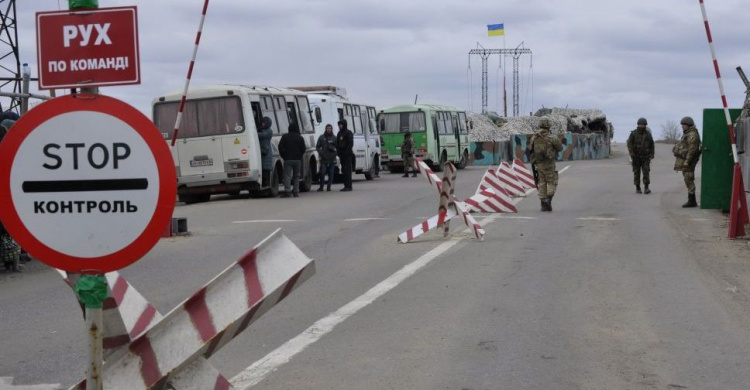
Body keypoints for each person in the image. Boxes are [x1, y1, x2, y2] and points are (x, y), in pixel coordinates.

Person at [530, 117, 563, 212]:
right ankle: (548, 199)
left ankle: (543, 204)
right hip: (549, 164)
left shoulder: (534, 137)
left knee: (542, 183)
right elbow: (560, 148)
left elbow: (531, 150)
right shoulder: (552, 138)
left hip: (538, 164)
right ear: (549, 126)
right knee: (552, 182)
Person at [673, 116, 702, 208]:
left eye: (684, 125)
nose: (682, 126)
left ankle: (692, 201)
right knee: (687, 179)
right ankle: (691, 200)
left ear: (688, 125)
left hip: (689, 161)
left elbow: (692, 150)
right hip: (686, 160)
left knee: (689, 179)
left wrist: (687, 161)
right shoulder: (687, 133)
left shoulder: (692, 135)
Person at [626, 117, 655, 194]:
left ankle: (646, 188)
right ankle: (638, 188)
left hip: (645, 157)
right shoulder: (633, 134)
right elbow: (629, 144)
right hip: (636, 157)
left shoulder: (648, 134)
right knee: (636, 172)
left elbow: (652, 144)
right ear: (638, 125)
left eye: (643, 124)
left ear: (645, 125)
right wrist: (632, 153)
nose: (642, 126)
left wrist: (652, 154)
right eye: (640, 124)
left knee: (646, 172)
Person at [278, 123, 306, 198]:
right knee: (296, 176)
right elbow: (303, 149)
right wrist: (299, 156)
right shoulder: (300, 138)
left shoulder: (285, 137)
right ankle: (296, 192)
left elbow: (280, 147)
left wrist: (283, 156)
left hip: (287, 159)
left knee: (287, 175)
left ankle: (287, 191)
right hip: (297, 160)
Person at [316, 124, 337, 191]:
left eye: (330, 128)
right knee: (322, 173)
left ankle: (329, 187)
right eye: (327, 128)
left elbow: (338, 147)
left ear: (331, 129)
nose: (328, 129)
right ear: (325, 129)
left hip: (332, 159)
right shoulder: (321, 137)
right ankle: (321, 187)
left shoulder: (334, 138)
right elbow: (317, 146)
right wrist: (320, 152)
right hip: (324, 159)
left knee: (331, 174)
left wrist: (335, 152)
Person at [336, 119, 354, 191]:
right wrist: (338, 152)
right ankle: (345, 185)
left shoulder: (348, 133)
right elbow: (337, 143)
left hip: (347, 154)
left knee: (347, 170)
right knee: (343, 170)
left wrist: (347, 151)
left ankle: (349, 186)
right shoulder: (339, 133)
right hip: (342, 154)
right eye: (339, 124)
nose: (340, 126)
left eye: (341, 124)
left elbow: (350, 144)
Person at [257, 117, 274, 187]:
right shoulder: (262, 130)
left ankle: (266, 185)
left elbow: (261, 135)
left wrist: (254, 132)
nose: (262, 124)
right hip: (262, 153)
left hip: (266, 154)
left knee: (265, 171)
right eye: (262, 122)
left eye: (264, 123)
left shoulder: (269, 131)